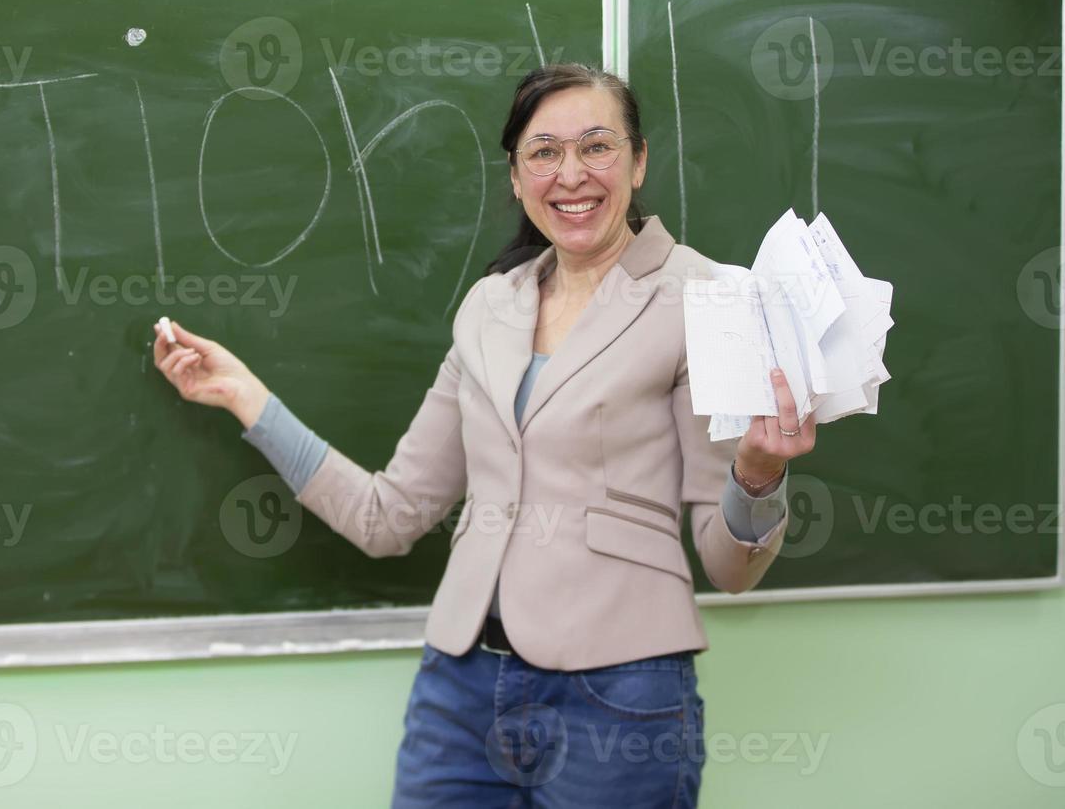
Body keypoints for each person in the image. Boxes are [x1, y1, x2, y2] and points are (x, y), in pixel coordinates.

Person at [152, 63, 814, 807]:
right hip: (460, 687)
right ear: (515, 173)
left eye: (597, 146)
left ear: (638, 160)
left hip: (620, 694)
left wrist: (758, 477)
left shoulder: (703, 298)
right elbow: (388, 515)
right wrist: (247, 398)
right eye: (543, 152)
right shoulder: (487, 309)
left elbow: (729, 567)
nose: (571, 174)